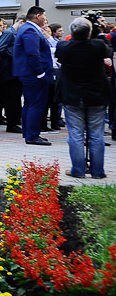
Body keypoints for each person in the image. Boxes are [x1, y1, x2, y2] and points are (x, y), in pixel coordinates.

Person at [57, 17, 111, 179]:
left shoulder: (63, 47)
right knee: (97, 135)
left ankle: (78, 170)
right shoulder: (98, 45)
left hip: (72, 96)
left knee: (75, 134)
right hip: (96, 95)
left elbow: (60, 55)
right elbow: (108, 50)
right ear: (89, 32)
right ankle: (97, 172)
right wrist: (99, 32)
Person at [14, 6, 54, 146]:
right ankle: (32, 135)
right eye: (44, 16)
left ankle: (29, 133)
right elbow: (33, 53)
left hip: (29, 73)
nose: (45, 18)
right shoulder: (30, 30)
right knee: (36, 104)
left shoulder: (28, 28)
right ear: (37, 16)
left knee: (30, 103)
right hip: (33, 74)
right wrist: (40, 73)